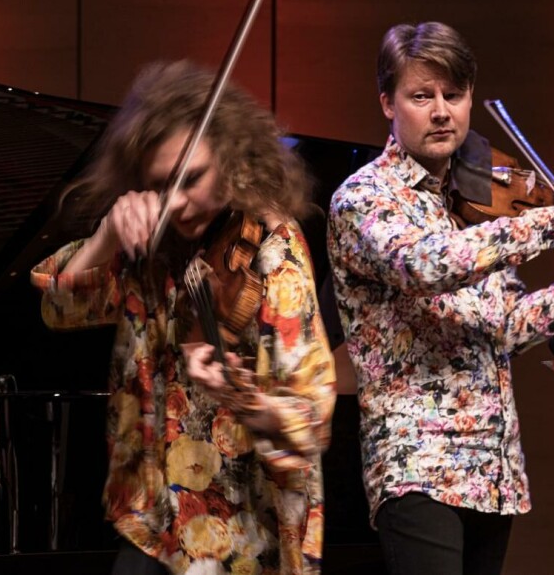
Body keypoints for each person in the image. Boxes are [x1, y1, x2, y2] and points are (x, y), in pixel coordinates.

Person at [326, 21, 554, 575]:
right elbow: (430, 265)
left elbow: (511, 325)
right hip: (418, 464)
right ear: (387, 102)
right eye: (421, 96)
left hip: (492, 470)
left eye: (454, 96)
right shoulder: (364, 199)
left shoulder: (469, 201)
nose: (441, 111)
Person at [31, 60, 336, 575]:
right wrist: (106, 234)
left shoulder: (273, 251)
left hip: (241, 529)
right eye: (160, 185)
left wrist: (237, 393)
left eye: (191, 178)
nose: (177, 202)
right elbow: (57, 310)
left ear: (233, 156)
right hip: (151, 519)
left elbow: (309, 420)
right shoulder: (147, 245)